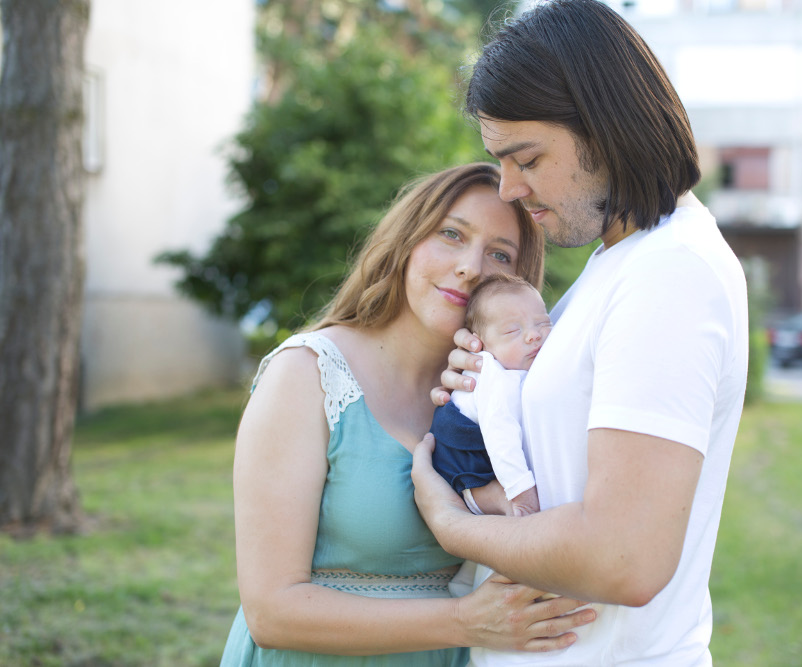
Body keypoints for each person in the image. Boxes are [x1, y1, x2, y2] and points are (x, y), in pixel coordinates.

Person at [410, 2, 750, 665]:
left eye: (527, 159)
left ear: (604, 125)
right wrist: (487, 386)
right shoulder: (621, 262)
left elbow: (624, 557)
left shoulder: (671, 272)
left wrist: (452, 524)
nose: (509, 189)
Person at [219, 162, 596, 666]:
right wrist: (465, 620)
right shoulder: (305, 373)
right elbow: (271, 613)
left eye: (499, 254)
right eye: (451, 234)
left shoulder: (500, 398)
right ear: (406, 240)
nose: (471, 267)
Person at [430, 273, 552, 519]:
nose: (533, 335)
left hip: (481, 447)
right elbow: (500, 435)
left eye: (542, 323)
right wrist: (522, 493)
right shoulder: (493, 375)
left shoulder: (516, 365)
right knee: (496, 494)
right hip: (460, 455)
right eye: (512, 331)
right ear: (479, 344)